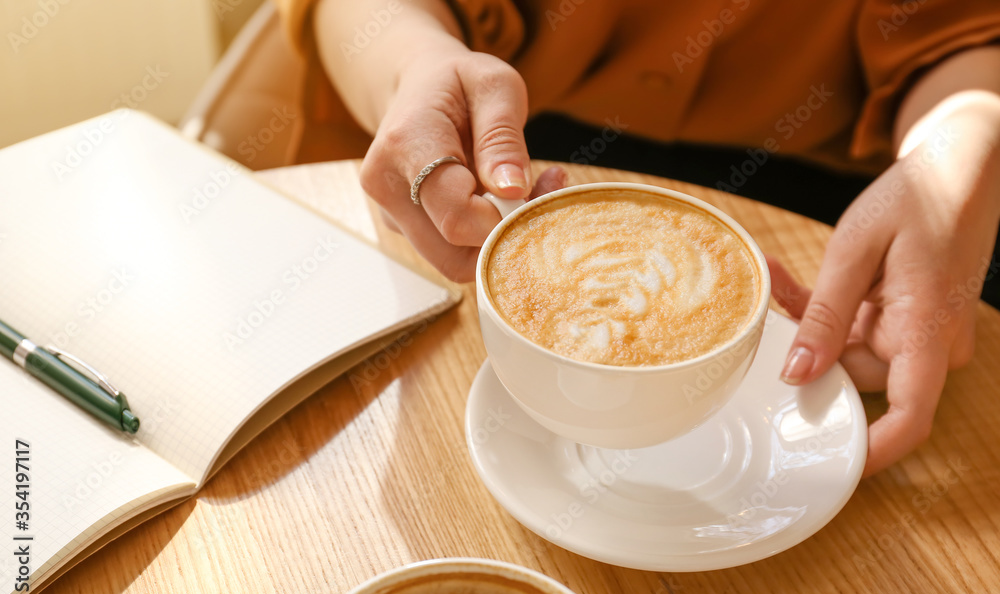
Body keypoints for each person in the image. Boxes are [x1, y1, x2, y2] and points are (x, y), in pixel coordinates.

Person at [273, 0, 1000, 476]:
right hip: (505, 134)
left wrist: (960, 150)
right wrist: (412, 62)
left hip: (843, 167)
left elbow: (968, 29)